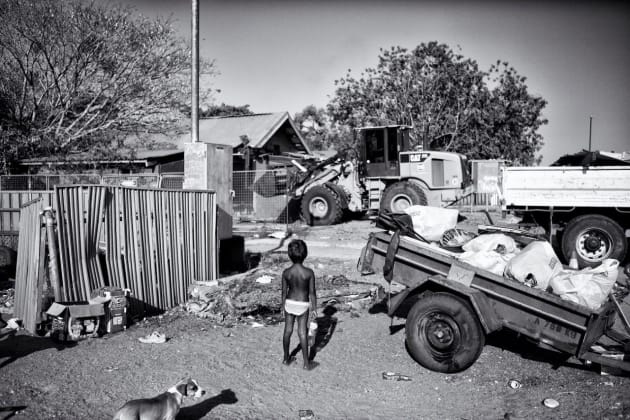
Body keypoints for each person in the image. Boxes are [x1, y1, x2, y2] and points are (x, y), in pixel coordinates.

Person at [281, 239, 317, 369]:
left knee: (287, 331)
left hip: (289, 303)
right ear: (305, 254)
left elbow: (284, 292)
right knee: (302, 332)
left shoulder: (286, 272)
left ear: (289, 255)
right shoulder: (309, 273)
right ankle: (306, 363)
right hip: (303, 304)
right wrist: (314, 308)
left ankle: (286, 359)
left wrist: (282, 307)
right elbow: (312, 293)